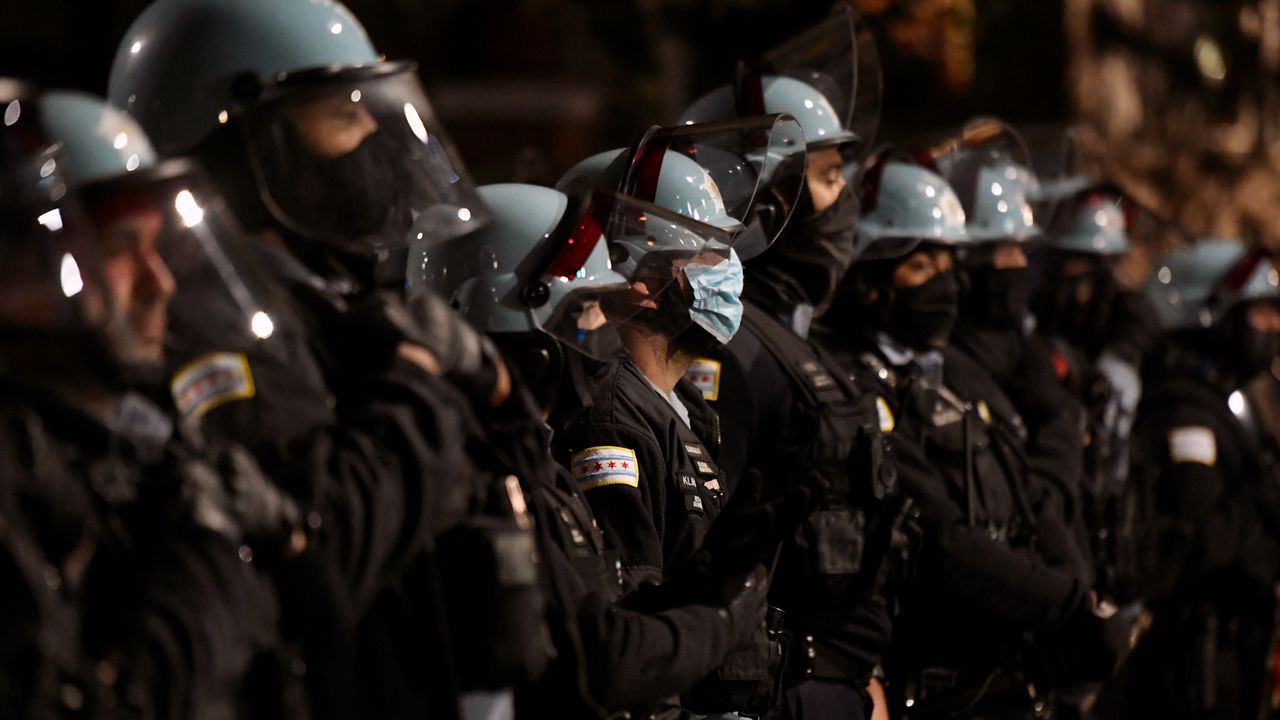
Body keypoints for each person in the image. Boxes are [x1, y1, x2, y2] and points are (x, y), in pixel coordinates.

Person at [108, 1, 545, 716]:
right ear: (242, 146)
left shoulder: (321, 305)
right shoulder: (210, 328)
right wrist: (418, 383)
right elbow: (324, 552)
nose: (375, 135)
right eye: (341, 115)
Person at [425, 181, 831, 717]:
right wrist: (724, 619)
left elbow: (611, 617)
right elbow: (608, 661)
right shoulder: (465, 480)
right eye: (585, 308)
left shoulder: (527, 469)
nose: (601, 328)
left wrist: (710, 575)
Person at [0, 80, 303, 719]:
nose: (159, 283)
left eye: (158, 248)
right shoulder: (20, 475)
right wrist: (205, 548)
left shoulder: (139, 443)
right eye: (115, 250)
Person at [672, 10, 916, 719]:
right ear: (768, 198)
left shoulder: (788, 338)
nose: (843, 203)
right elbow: (704, 568)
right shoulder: (728, 348)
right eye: (830, 177)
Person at [823, 153, 1127, 718]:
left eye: (948, 263)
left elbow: (1028, 491)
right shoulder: (855, 384)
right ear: (869, 281)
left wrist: (1075, 586)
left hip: (997, 674)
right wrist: (1063, 602)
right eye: (920, 267)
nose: (943, 283)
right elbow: (942, 542)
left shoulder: (949, 376)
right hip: (931, 683)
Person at [1094, 238, 1280, 720]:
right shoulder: (1181, 411)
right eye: (1259, 313)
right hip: (1186, 667)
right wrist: (1261, 497)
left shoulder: (1228, 408)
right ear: (1209, 311)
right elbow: (1187, 549)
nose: (1273, 327)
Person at [1030, 184, 1160, 604]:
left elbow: (1140, 323)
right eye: (1070, 263)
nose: (1076, 280)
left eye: (1088, 266)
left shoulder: (1124, 315)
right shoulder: (1036, 315)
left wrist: (1121, 359)